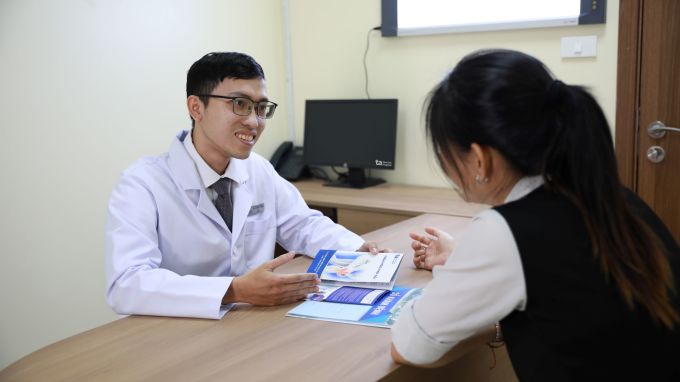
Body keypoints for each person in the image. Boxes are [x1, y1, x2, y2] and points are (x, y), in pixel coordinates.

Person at [390, 49, 680, 380]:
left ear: (479, 158)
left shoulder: (504, 232)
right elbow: (567, 273)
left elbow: (409, 345)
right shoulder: (608, 197)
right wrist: (461, 258)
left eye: (445, 153)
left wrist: (467, 269)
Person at [105, 52, 379, 319]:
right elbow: (126, 285)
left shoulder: (257, 168)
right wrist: (232, 291)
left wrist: (357, 249)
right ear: (196, 108)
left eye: (261, 108)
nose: (254, 121)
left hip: (249, 323)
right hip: (177, 332)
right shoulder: (142, 184)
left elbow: (302, 224)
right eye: (239, 103)